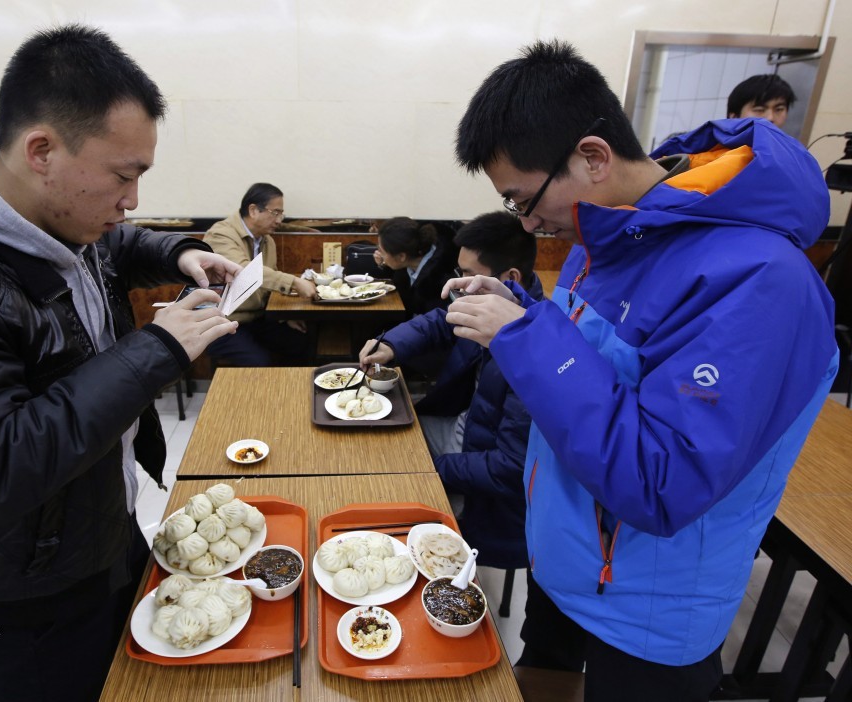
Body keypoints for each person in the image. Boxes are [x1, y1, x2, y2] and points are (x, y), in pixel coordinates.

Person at [0, 25, 241, 702]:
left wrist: (177, 252)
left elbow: (115, 246)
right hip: (26, 590)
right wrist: (156, 349)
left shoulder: (57, 213)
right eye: (123, 176)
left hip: (99, 520)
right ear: (42, 151)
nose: (130, 200)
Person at [448, 39, 837, 701]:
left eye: (522, 199)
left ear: (592, 156)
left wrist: (528, 340)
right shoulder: (603, 238)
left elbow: (661, 481)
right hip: (565, 558)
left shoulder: (760, 280)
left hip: (648, 607)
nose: (527, 221)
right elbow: (595, 373)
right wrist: (521, 312)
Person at [358, 211, 542, 570]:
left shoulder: (537, 348)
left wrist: (429, 467)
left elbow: (509, 468)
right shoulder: (485, 303)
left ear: (510, 279)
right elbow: (437, 322)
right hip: (462, 429)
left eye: (467, 276)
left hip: (486, 488)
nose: (457, 285)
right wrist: (390, 345)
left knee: (384, 481)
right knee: (371, 434)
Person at [202, 182, 318, 366]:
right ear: (254, 210)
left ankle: (292, 393)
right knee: (258, 362)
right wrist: (294, 282)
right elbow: (244, 272)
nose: (280, 220)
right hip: (222, 323)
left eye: (281, 214)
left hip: (257, 319)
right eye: (275, 213)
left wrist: (283, 317)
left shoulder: (267, 241)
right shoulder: (220, 235)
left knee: (301, 342)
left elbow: (265, 287)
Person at [372, 216, 458, 316]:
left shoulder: (438, 281)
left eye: (382, 251)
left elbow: (430, 321)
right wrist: (385, 266)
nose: (379, 253)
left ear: (401, 256)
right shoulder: (412, 262)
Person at [727, 74, 795, 128]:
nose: (770, 118)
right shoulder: (720, 145)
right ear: (734, 117)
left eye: (779, 109)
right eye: (759, 110)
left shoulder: (789, 145)